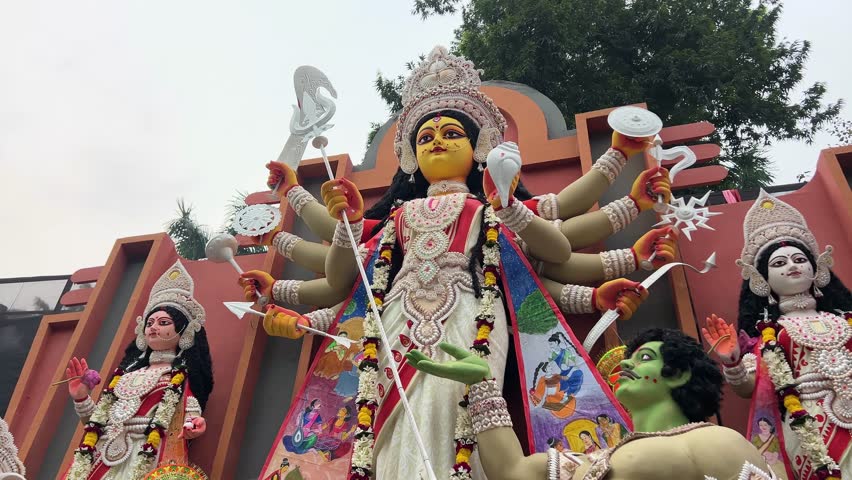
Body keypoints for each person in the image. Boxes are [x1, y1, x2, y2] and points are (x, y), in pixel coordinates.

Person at [248, 46, 678, 480]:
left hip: (472, 316)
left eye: (452, 133)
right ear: (412, 158)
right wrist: (304, 204)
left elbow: (559, 239)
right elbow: (339, 274)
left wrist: (620, 181)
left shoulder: (490, 210)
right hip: (394, 320)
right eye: (425, 136)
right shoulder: (398, 218)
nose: (437, 140)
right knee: (381, 415)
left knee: (460, 410)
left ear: (478, 147)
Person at [407, 328, 778, 479]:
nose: (628, 363)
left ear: (679, 374)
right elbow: (512, 471)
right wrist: (482, 384)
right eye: (630, 358)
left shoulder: (715, 441)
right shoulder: (594, 460)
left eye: (645, 358)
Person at [701, 190, 852, 480]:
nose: (793, 266)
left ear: (815, 268)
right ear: (762, 280)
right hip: (809, 422)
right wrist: (732, 362)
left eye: (799, 259)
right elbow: (748, 388)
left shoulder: (843, 319)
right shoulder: (771, 335)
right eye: (779, 263)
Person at [62, 261, 213, 480]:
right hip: (101, 453)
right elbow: (96, 422)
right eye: (150, 322)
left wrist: (195, 424)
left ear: (184, 333)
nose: (153, 327)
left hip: (146, 455)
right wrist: (81, 398)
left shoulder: (178, 377)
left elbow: (190, 417)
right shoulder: (124, 375)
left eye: (163, 322)